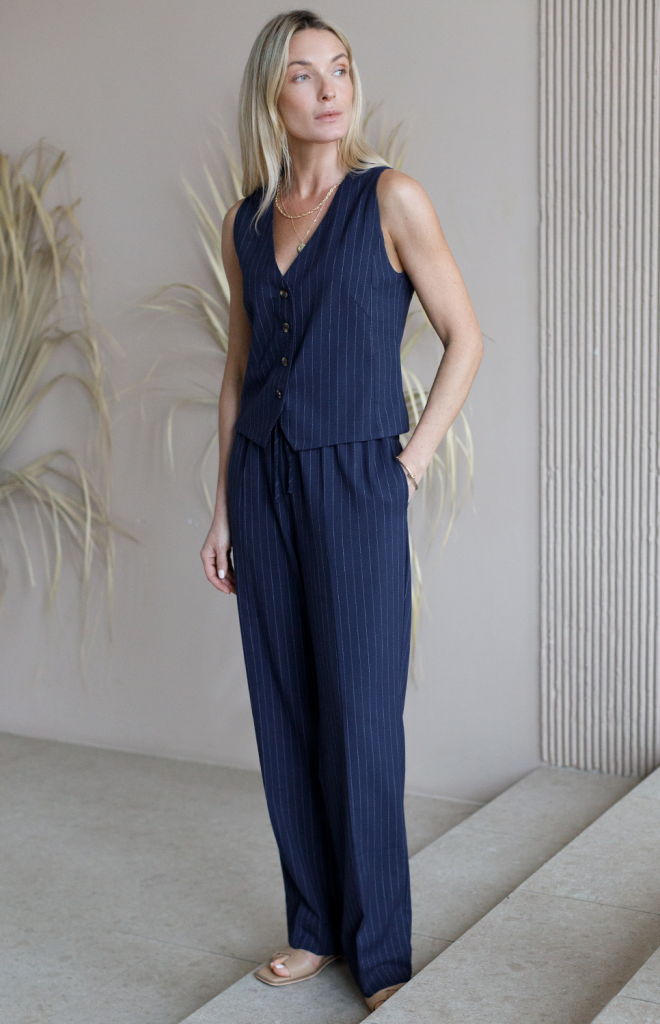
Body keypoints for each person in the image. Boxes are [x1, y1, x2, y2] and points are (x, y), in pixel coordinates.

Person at [200, 9, 483, 1015]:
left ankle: (383, 953)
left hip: (357, 479)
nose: (327, 90)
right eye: (302, 74)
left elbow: (463, 336)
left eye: (340, 70)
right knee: (283, 705)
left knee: (361, 717)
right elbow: (236, 368)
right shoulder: (246, 220)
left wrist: (411, 459)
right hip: (261, 480)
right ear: (270, 96)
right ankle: (313, 924)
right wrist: (222, 507)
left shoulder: (389, 198)